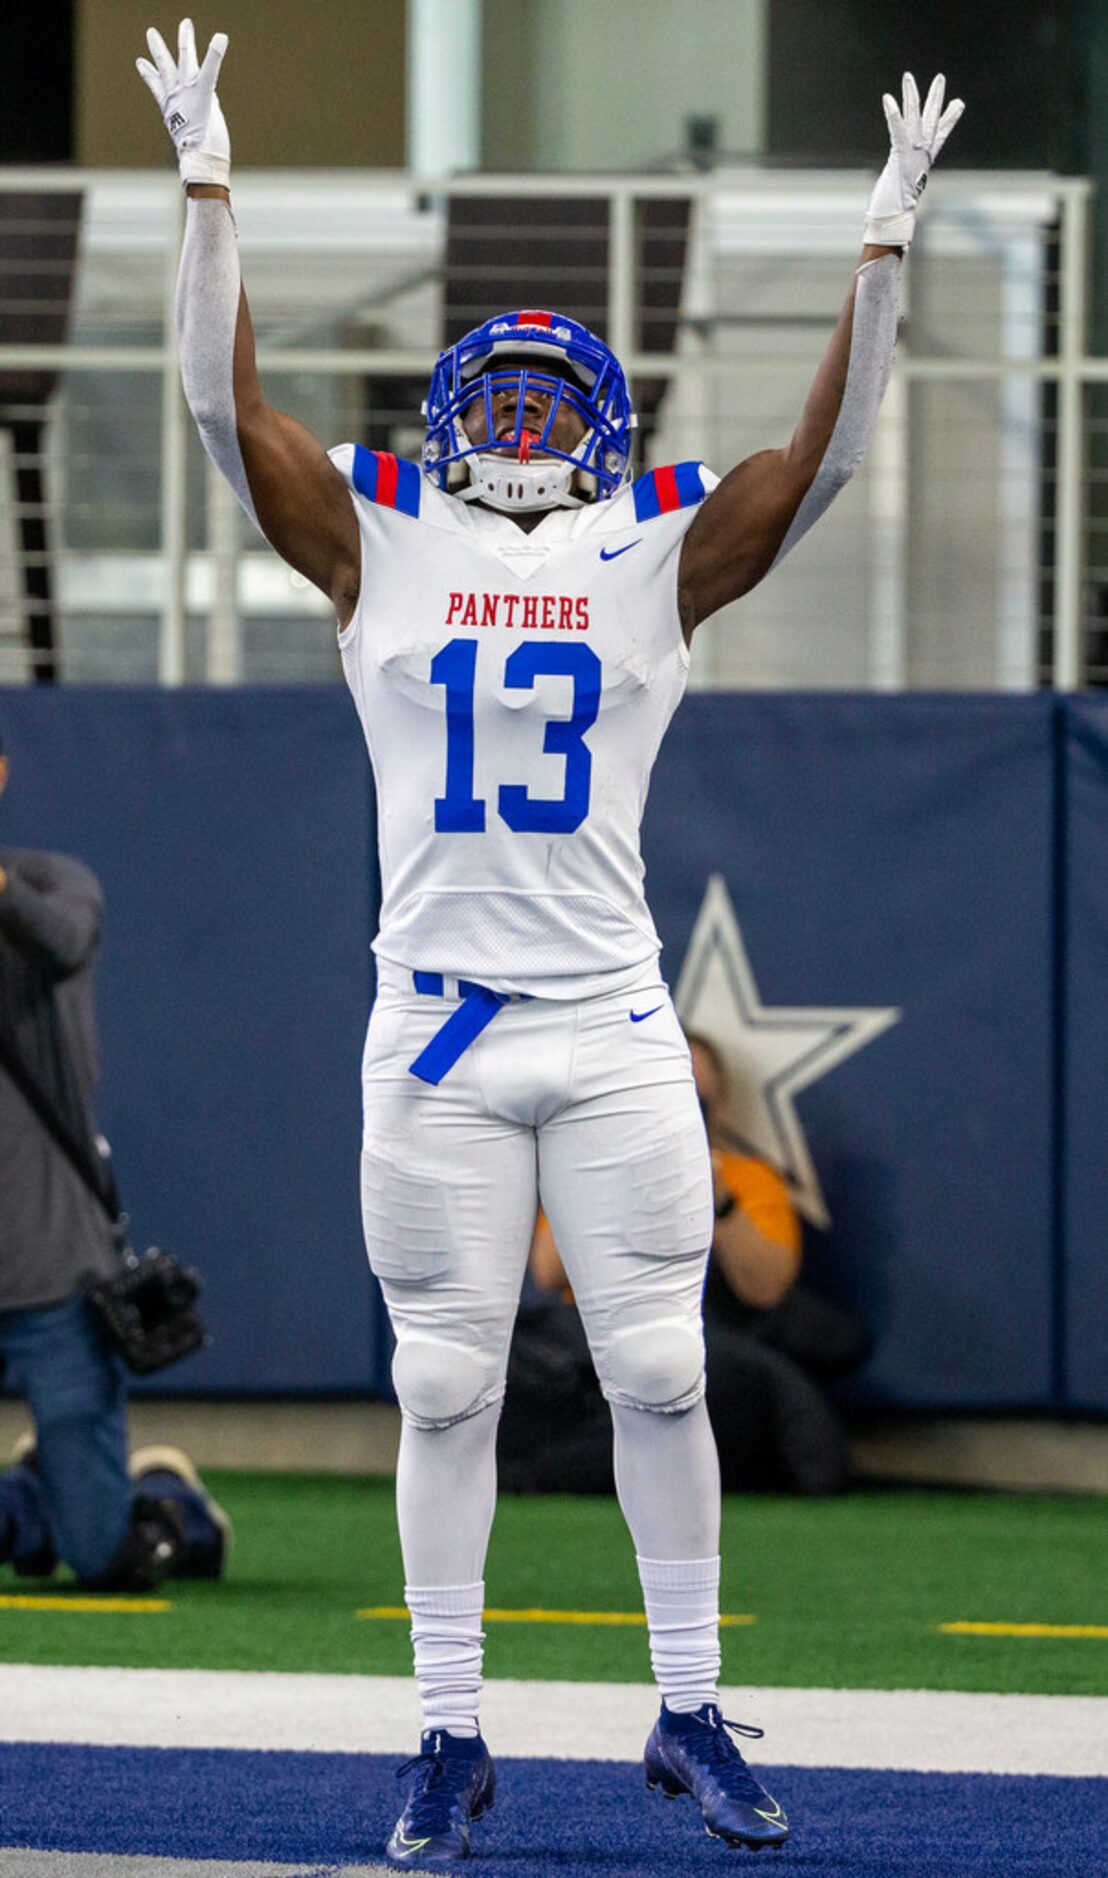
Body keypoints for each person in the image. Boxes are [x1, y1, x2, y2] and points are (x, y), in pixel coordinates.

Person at [137, 20, 962, 1863]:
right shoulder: (379, 541)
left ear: (597, 431)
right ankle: (446, 1730)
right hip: (432, 1024)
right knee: (444, 1381)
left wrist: (881, 244)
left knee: (661, 1363)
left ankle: (684, 1703)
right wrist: (205, 186)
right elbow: (218, 413)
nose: (517, 428)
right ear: (448, 421)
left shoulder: (650, 554)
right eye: (492, 400)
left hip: (600, 1022)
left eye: (543, 402)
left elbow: (816, 462)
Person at [0, 729, 230, 1589]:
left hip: (51, 1271)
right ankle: (35, 1495)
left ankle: (172, 1502)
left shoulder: (54, 879)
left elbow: (61, 942)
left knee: (105, 1559)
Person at [690, 1030, 870, 1495]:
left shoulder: (748, 1180)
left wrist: (718, 1202)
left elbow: (767, 1290)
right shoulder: (602, 1171)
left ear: (720, 1105)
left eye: (696, 1097)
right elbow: (550, 1273)